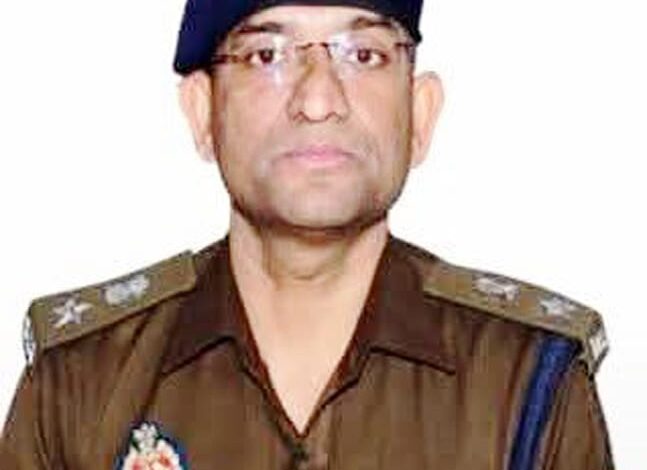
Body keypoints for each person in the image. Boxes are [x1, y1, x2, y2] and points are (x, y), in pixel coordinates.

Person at [0, 0, 614, 468]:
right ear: (203, 113)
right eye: (266, 56)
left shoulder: (526, 382)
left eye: (363, 55)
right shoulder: (81, 383)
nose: (318, 99)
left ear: (420, 114)